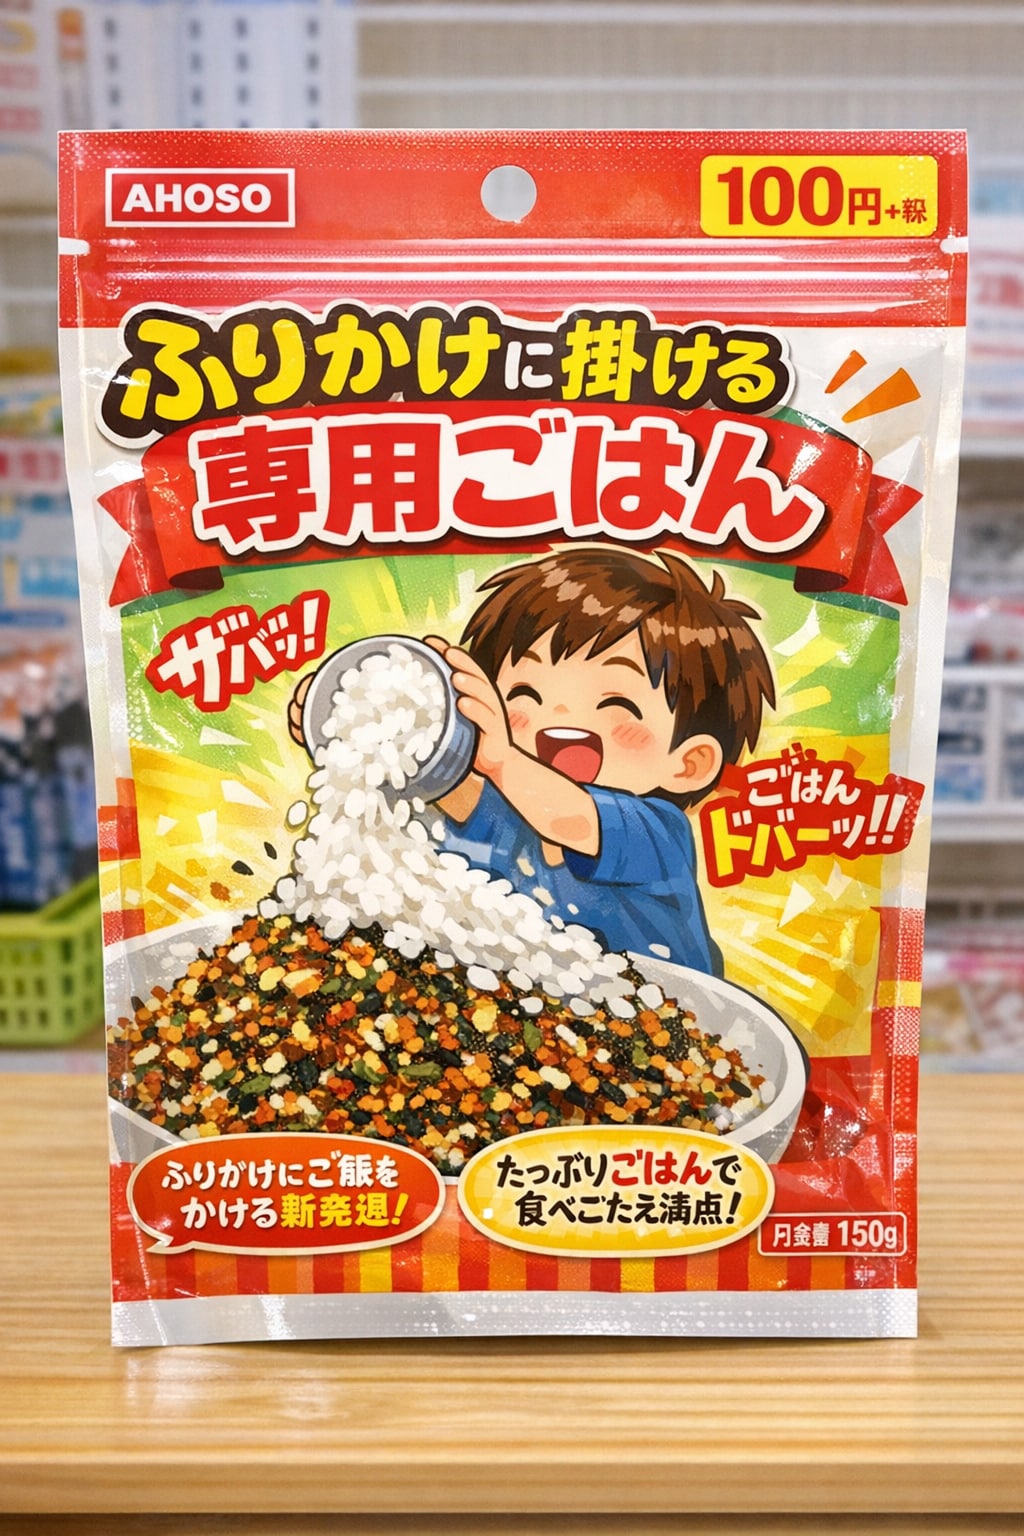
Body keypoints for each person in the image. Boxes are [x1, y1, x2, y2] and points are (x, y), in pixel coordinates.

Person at [290, 547, 773, 978]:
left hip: (675, 1023)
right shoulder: (510, 819)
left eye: (617, 707)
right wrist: (348, 733)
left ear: (689, 764)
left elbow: (573, 817)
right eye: (523, 696)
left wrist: (502, 758)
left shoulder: (655, 833)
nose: (555, 719)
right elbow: (451, 791)